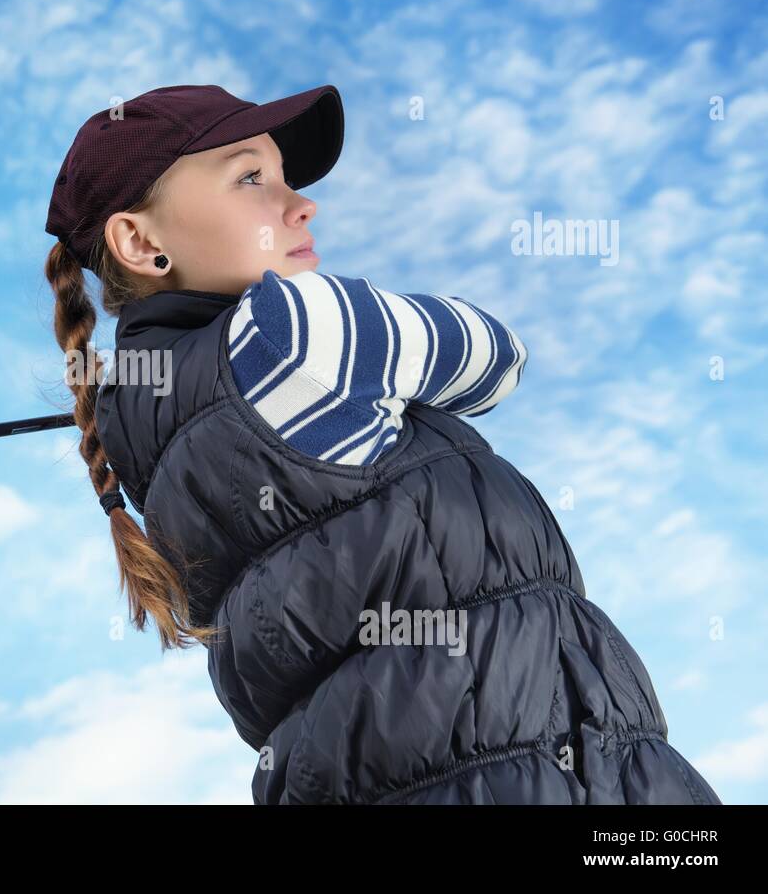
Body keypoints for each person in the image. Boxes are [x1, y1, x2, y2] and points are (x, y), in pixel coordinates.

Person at [42, 83, 721, 804]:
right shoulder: (291, 324)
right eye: (249, 178)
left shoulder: (141, 426)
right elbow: (497, 356)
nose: (302, 205)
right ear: (141, 242)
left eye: (285, 177)